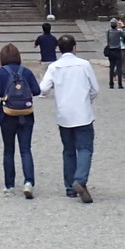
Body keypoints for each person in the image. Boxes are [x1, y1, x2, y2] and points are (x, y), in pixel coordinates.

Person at [38, 34, 99, 202]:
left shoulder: (54, 67)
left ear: (59, 49)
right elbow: (95, 89)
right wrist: (87, 101)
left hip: (64, 114)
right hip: (83, 113)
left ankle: (69, 187)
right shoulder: (84, 65)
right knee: (85, 149)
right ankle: (80, 180)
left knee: (69, 151)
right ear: (74, 47)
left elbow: (43, 89)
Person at [0, 43, 41, 198]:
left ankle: (10, 185)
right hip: (26, 112)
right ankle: (28, 182)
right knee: (26, 149)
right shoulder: (26, 71)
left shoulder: (1, 73)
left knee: (8, 150)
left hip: (7, 113)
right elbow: (37, 90)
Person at [102, 17, 125, 89]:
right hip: (117, 50)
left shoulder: (108, 31)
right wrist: (123, 26)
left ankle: (111, 83)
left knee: (111, 68)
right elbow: (124, 34)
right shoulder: (119, 31)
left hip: (111, 50)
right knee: (119, 68)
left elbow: (107, 40)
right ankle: (120, 84)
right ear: (116, 25)